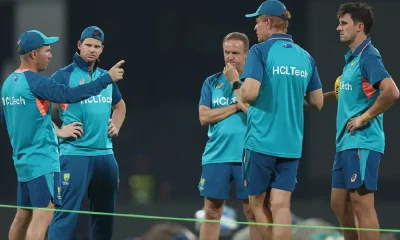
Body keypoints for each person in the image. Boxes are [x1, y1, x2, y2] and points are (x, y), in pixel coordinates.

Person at [0, 30, 124, 240]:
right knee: (42, 219)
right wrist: (106, 80)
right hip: (43, 161)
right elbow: (69, 94)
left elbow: (11, 121)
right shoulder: (36, 82)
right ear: (33, 54)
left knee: (22, 217)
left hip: (23, 160)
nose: (50, 55)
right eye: (46, 51)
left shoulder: (8, 83)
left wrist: (53, 131)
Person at [229, 1, 324, 239]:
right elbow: (317, 102)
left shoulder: (260, 52)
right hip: (291, 143)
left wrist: (234, 82)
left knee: (257, 203)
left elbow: (249, 94)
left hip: (262, 140)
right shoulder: (306, 57)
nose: (255, 28)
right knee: (282, 205)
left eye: (257, 22)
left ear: (268, 22)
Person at [47, 26, 126, 240]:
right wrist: (60, 131)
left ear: (102, 49)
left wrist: (116, 125)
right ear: (79, 45)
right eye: (88, 45)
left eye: (97, 46)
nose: (92, 50)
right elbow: (39, 111)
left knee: (104, 220)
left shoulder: (105, 77)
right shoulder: (63, 76)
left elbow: (120, 107)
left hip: (105, 156)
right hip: (74, 155)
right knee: (65, 218)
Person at [329, 3, 399, 240]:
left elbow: (391, 91)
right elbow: (352, 95)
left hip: (362, 142)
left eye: (343, 23)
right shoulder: (352, 60)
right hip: (345, 144)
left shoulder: (368, 56)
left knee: (362, 205)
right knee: (339, 204)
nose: (338, 28)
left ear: (359, 26)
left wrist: (365, 117)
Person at [198, 32, 260, 240]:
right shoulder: (211, 82)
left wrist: (235, 83)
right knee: (211, 212)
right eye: (227, 52)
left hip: (248, 154)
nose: (230, 57)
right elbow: (204, 117)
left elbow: (250, 109)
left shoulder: (254, 82)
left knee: (253, 212)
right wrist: (235, 107)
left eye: (235, 52)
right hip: (217, 154)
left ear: (246, 54)